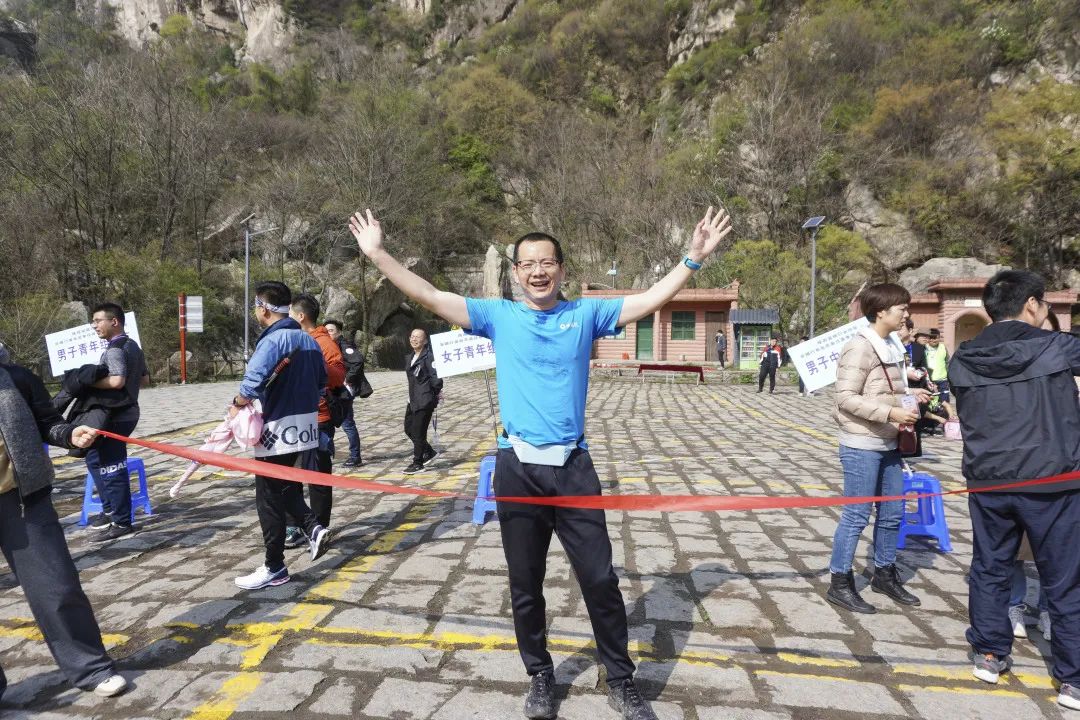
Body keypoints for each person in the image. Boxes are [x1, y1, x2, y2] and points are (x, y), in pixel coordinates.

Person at [350, 206, 731, 720]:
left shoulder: (586, 315)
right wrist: (378, 255)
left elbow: (649, 299)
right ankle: (540, 675)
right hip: (518, 468)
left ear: (561, 269)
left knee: (600, 579)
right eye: (527, 264)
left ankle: (620, 678)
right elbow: (431, 295)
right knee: (525, 583)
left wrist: (693, 259)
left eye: (546, 262)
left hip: (574, 467)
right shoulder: (498, 316)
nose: (537, 271)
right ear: (515, 273)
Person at [950, 270, 1080, 710]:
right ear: (1031, 304)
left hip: (990, 481)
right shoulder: (1056, 347)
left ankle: (989, 653)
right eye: (1044, 304)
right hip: (1052, 482)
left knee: (990, 567)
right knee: (1064, 577)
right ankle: (1073, 678)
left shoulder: (964, 357)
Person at [0, 361, 127, 699]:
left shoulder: (15, 377)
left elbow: (48, 422)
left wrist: (69, 434)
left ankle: (91, 667)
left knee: (56, 585)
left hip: (21, 498)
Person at [827, 283, 931, 614]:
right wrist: (890, 413)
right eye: (901, 308)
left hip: (889, 441)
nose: (906, 314)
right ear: (881, 311)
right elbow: (845, 398)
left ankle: (884, 574)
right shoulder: (860, 346)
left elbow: (881, 390)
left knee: (893, 512)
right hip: (862, 443)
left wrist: (910, 396)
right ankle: (839, 582)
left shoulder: (890, 345)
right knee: (856, 515)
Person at [230, 281, 331, 591]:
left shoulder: (273, 340)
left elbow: (251, 384)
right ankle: (312, 526)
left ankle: (274, 566)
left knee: (268, 498)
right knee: (284, 485)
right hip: (306, 426)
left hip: (276, 429)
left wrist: (236, 404)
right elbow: (322, 382)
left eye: (255, 306)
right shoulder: (309, 341)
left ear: (263, 309)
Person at [283, 294, 345, 547]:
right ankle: (294, 524)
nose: (286, 317)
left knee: (318, 476)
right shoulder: (291, 339)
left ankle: (319, 526)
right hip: (292, 418)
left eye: (290, 312)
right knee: (289, 474)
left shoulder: (323, 342)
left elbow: (338, 376)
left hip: (318, 419)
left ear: (301, 316)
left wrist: (313, 362)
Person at [84, 303, 148, 543]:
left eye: (98, 320)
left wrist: (85, 382)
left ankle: (121, 522)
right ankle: (110, 509)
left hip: (115, 415)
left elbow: (117, 381)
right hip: (129, 411)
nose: (94, 326)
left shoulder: (115, 349)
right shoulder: (133, 346)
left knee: (112, 467)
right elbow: (144, 379)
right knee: (94, 457)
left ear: (114, 322)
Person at [402, 328, 443, 475]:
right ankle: (429, 452)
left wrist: (433, 395)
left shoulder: (429, 357)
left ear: (425, 341)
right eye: (412, 336)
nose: (414, 339)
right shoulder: (410, 357)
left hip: (424, 400)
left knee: (419, 432)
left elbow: (437, 379)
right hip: (412, 400)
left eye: (418, 337)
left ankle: (418, 463)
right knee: (408, 429)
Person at [324, 318, 364, 467]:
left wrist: (346, 378)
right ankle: (327, 454)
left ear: (339, 332)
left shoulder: (344, 345)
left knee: (347, 424)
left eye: (331, 330)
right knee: (328, 423)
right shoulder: (329, 345)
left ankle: (355, 456)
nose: (328, 333)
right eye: (326, 331)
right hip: (332, 391)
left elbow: (358, 361)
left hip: (344, 392)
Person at [925, 330, 950, 402]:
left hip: (943, 380)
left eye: (935, 338)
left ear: (939, 338)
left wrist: (948, 376)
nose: (933, 340)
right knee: (932, 403)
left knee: (944, 402)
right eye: (931, 338)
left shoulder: (943, 347)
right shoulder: (924, 348)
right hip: (929, 381)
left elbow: (947, 362)